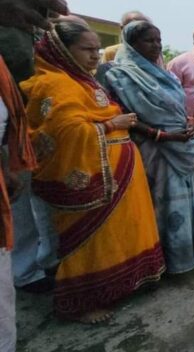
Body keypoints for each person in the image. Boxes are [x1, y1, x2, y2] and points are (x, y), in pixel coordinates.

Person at [22, 22, 165, 323]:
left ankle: (123, 282)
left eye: (97, 50)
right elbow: (65, 131)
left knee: (120, 232)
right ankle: (82, 304)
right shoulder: (55, 83)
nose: (94, 56)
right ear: (62, 50)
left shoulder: (84, 81)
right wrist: (113, 125)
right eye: (86, 49)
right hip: (90, 175)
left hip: (118, 171)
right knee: (90, 240)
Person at [100, 21, 194, 274]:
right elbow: (124, 115)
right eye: (150, 41)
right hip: (151, 149)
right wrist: (163, 135)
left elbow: (178, 109)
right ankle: (160, 262)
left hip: (180, 146)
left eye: (159, 40)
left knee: (185, 202)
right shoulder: (118, 74)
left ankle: (186, 254)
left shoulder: (167, 75)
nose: (157, 46)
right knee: (157, 203)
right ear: (131, 44)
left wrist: (187, 125)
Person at [0, 0, 68, 351]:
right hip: (19, 147)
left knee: (27, 213)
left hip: (19, 146)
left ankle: (28, 269)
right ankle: (26, 272)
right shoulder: (36, 72)